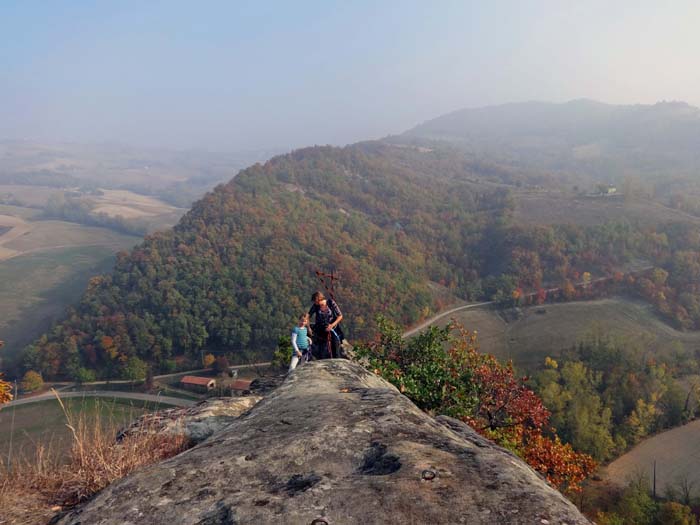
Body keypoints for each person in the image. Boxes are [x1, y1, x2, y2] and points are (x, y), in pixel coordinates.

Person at [308, 291, 343, 359]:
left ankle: (337, 363)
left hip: (333, 328)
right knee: (321, 350)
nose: (315, 303)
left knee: (335, 347)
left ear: (318, 299)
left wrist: (331, 325)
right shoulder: (316, 306)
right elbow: (308, 316)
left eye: (315, 301)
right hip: (320, 329)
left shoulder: (330, 303)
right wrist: (309, 327)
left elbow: (340, 316)